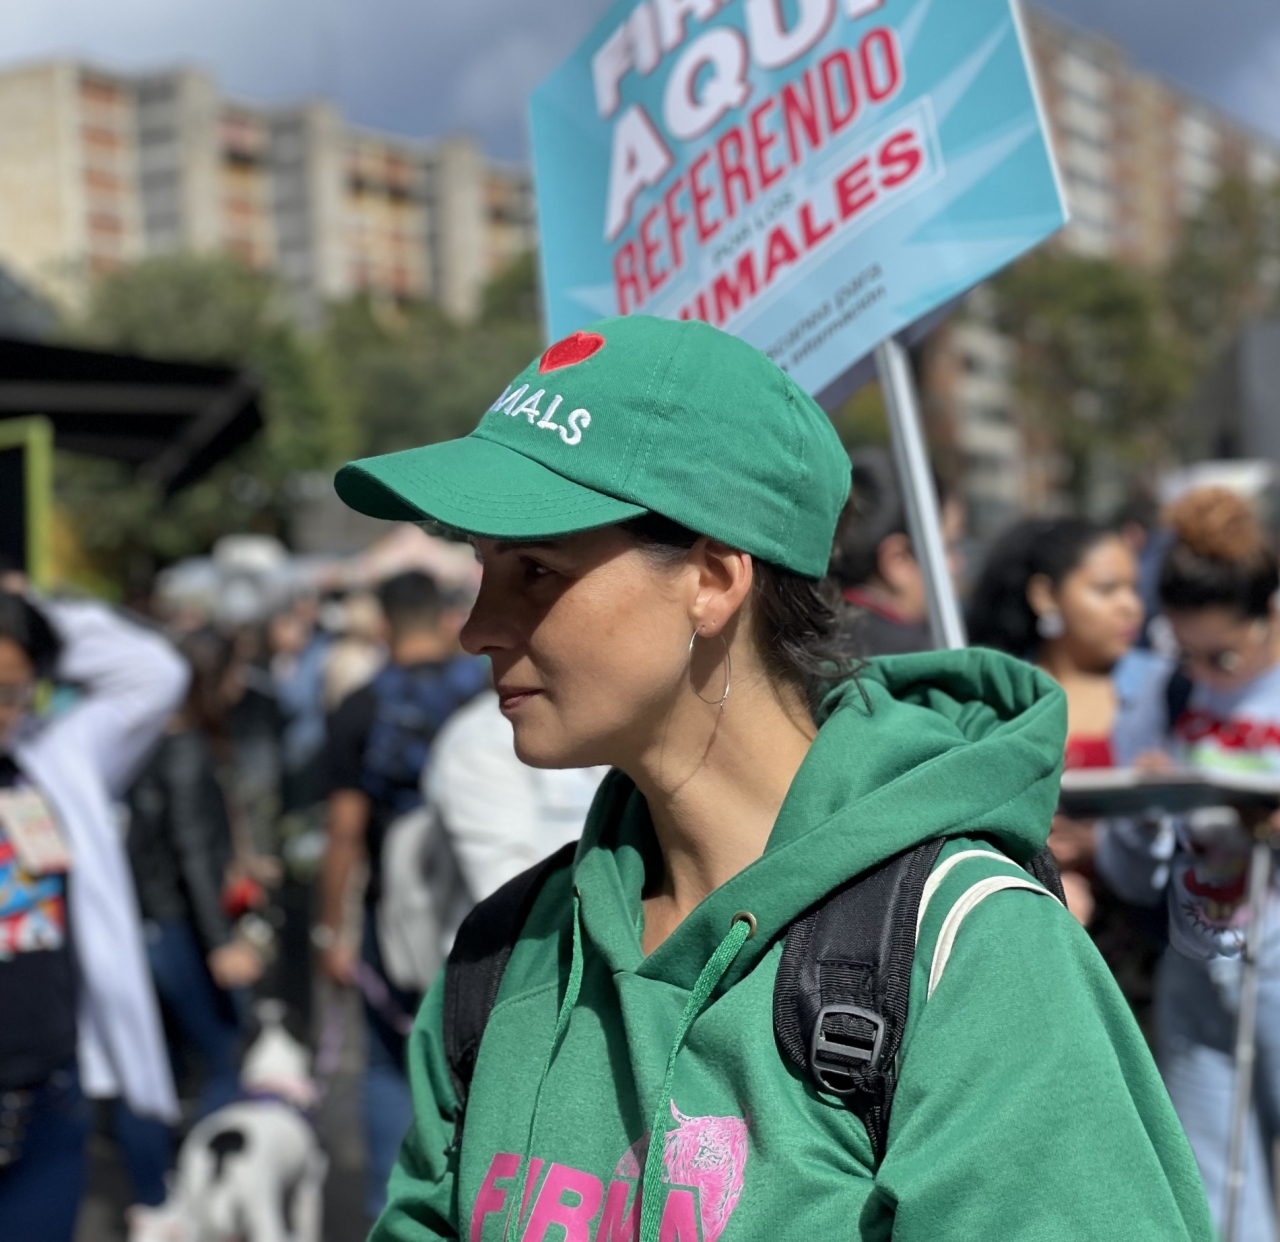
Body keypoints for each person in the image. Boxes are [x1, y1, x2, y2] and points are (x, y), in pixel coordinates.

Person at [334, 316, 1211, 1241]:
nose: (478, 627)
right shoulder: (506, 957)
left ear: (712, 579)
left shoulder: (968, 956)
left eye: (536, 570)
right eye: (481, 568)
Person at [1097, 487, 1280, 1240]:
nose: (1207, 673)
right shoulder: (1165, 697)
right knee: (1220, 1189)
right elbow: (1132, 874)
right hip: (1200, 966)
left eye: (1226, 656)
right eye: (1189, 654)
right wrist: (1140, 815)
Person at [0, 586, 187, 1242]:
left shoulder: (52, 759)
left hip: (49, 1096)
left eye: (16, 692)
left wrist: (32, 615)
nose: (3, 711)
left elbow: (155, 672)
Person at [315, 570, 487, 1219]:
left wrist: (330, 932)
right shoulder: (482, 692)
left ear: (384, 622)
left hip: (391, 916)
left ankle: (390, 1218)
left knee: (391, 1069)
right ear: (442, 617)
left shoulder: (360, 705)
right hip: (485, 908)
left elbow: (343, 835)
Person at [115, 630, 263, 1209]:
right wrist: (221, 941)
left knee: (148, 1065)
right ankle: (205, 1191)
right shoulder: (184, 749)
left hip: (138, 926)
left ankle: (153, 1202)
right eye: (233, 672)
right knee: (225, 1053)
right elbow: (193, 853)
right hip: (174, 927)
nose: (239, 686)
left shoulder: (140, 743)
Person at [967, 518, 1150, 924]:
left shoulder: (1163, 687)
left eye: (1133, 588)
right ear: (1046, 595)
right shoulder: (1000, 698)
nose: (1131, 606)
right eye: (1107, 589)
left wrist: (1099, 845)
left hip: (1150, 935)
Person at [826, 447, 963, 656]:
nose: (958, 564)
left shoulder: (800, 641)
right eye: (946, 548)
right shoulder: (923, 664)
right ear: (898, 560)